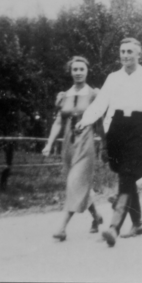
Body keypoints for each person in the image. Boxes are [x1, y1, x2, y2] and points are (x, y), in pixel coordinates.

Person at [77, 38, 142, 248]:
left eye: (129, 52)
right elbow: (101, 102)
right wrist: (86, 119)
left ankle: (114, 227)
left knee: (128, 174)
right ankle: (138, 223)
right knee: (124, 175)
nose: (125, 55)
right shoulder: (113, 77)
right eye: (122, 51)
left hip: (138, 127)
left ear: (139, 53)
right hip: (117, 127)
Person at [42, 56, 104, 241]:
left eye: (81, 69)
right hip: (68, 144)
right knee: (77, 184)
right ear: (70, 72)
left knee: (74, 183)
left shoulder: (94, 94)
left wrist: (106, 143)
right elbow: (59, 121)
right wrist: (49, 143)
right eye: (75, 70)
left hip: (86, 143)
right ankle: (97, 217)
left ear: (87, 71)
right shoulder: (64, 96)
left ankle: (62, 228)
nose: (78, 73)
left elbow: (99, 122)